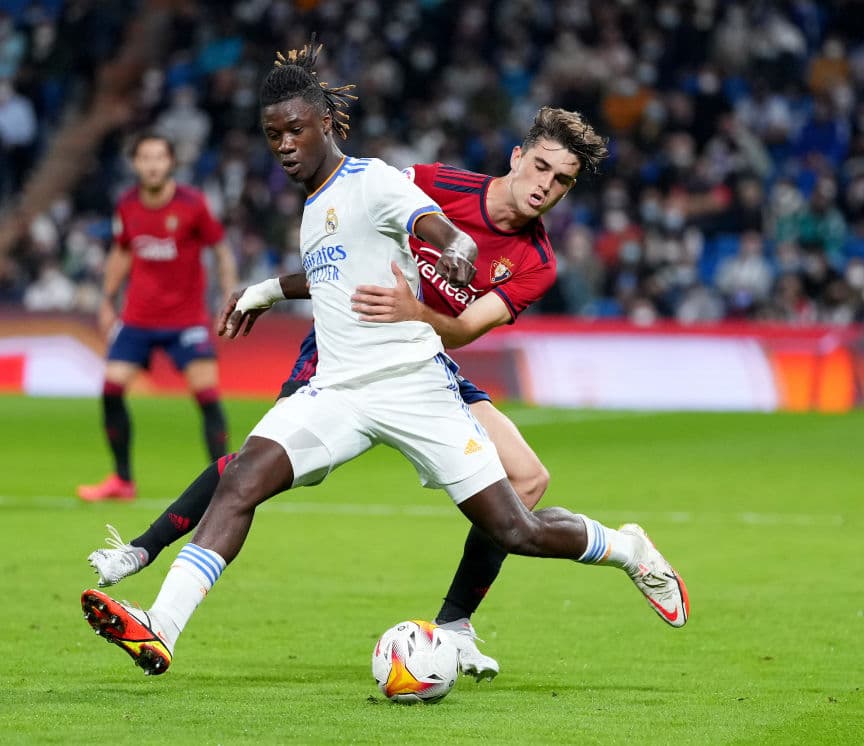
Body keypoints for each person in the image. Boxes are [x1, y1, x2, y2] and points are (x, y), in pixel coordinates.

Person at [81, 41, 688, 677]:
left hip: (416, 379)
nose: (546, 186)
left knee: (519, 524)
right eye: (541, 167)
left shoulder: (388, 185)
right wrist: (266, 290)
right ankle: (160, 625)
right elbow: (339, 271)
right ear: (517, 157)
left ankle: (622, 549)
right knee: (242, 479)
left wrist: (450, 255)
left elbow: (438, 250)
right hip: (338, 384)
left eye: (561, 180)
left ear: (323, 127)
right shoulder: (324, 206)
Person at [77, 132, 238, 501]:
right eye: (145, 158)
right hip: (138, 319)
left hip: (186, 320)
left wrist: (229, 295)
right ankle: (122, 480)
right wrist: (106, 299)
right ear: (135, 164)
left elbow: (220, 249)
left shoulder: (193, 204)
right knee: (111, 389)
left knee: (207, 396)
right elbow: (121, 252)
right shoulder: (127, 205)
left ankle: (224, 486)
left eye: (159, 157)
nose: (152, 164)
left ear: (170, 163)